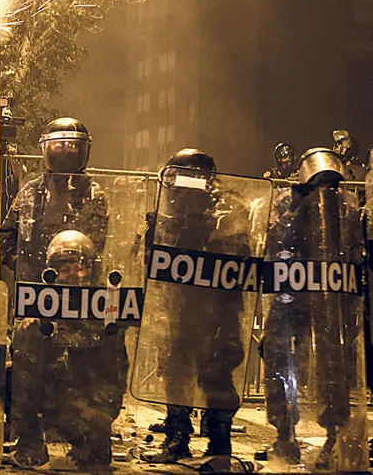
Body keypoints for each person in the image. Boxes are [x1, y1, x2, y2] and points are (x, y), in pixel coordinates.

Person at [143, 148, 251, 463]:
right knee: (177, 372)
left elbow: (239, 262)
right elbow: (155, 264)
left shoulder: (226, 215)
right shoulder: (165, 219)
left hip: (218, 310)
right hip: (180, 308)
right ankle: (178, 438)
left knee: (216, 373)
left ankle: (219, 442)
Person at [263, 148, 364, 468]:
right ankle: (284, 433)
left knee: (332, 367)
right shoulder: (284, 202)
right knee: (278, 358)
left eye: (333, 185)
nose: (328, 191)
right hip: (291, 295)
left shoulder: (346, 209)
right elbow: (275, 241)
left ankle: (334, 434)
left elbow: (353, 254)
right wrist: (300, 210)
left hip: (329, 297)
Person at [9, 230, 128, 468]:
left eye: (79, 267)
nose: (73, 275)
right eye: (64, 269)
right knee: (10, 371)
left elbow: (115, 376)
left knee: (94, 457)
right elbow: (27, 372)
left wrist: (97, 421)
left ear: (92, 269)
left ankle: (94, 444)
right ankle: (30, 444)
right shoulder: (41, 313)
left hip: (89, 407)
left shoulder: (106, 316)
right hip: (53, 400)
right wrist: (34, 331)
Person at [0, 117, 107, 280]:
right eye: (58, 148)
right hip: (37, 284)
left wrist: (82, 270)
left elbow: (104, 242)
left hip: (81, 282)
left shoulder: (93, 194)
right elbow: (7, 238)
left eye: (72, 149)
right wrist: (27, 267)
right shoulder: (32, 192)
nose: (64, 156)